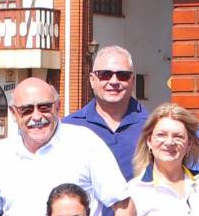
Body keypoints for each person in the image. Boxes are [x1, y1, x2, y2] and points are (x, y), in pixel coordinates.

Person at [0, 77, 130, 216]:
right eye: (27, 110)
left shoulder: (86, 143)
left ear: (57, 107)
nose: (36, 116)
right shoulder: (0, 155)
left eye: (44, 107)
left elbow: (123, 204)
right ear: (14, 113)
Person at [62, 44, 149, 176]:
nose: (114, 81)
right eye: (105, 74)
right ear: (92, 80)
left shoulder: (152, 126)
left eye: (123, 75)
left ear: (132, 80)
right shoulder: (68, 128)